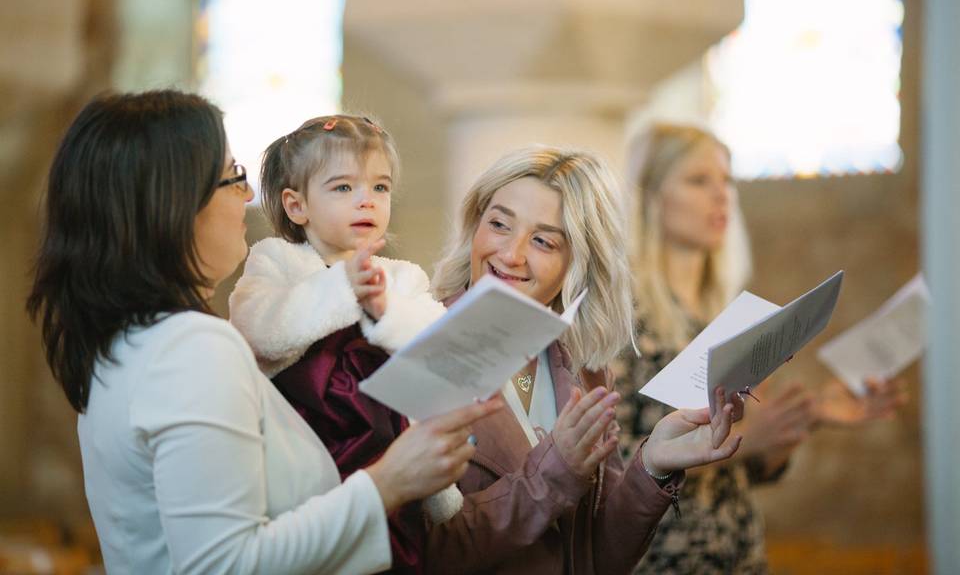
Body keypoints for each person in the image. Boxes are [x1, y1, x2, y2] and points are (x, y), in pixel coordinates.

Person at [26, 90, 501, 575]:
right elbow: (222, 565)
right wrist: (389, 483)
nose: (249, 196)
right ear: (173, 204)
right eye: (233, 177)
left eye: (380, 187)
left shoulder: (128, 342)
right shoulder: (192, 349)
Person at [426, 146, 745, 574]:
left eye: (543, 240)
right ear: (475, 226)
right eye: (499, 224)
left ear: (577, 262)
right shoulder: (420, 349)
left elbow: (598, 558)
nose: (510, 254)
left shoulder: (583, 367)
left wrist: (653, 465)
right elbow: (425, 552)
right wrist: (554, 472)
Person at [615, 122, 907, 574]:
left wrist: (801, 420)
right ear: (650, 197)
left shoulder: (724, 317)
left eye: (727, 180)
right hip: (664, 559)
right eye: (698, 180)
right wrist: (741, 444)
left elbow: (743, 469)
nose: (722, 195)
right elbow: (603, 468)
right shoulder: (622, 318)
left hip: (740, 554)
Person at [229, 114, 453, 573]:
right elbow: (257, 329)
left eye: (380, 188)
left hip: (388, 454)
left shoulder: (402, 276)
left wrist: (384, 309)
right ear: (297, 206)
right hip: (308, 456)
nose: (366, 201)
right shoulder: (276, 261)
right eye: (344, 188)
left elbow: (440, 348)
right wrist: (340, 288)